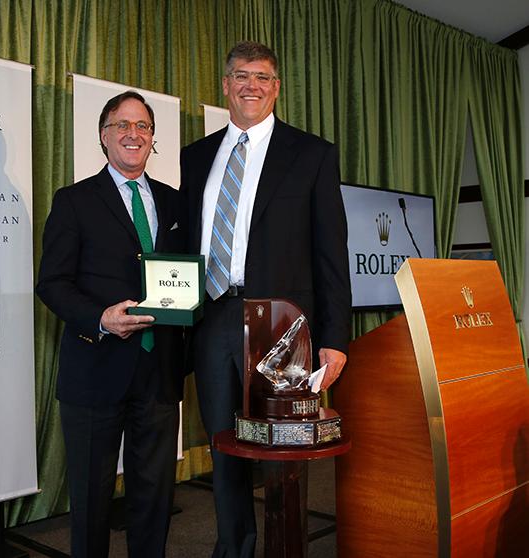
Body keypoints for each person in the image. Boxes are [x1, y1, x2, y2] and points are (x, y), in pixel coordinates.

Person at [179, 41, 351, 557]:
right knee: (224, 447)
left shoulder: (312, 154)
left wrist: (336, 338)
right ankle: (235, 546)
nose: (250, 85)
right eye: (240, 76)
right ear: (225, 85)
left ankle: (286, 547)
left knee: (285, 447)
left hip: (285, 327)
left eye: (262, 77)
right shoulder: (195, 157)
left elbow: (331, 253)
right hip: (212, 317)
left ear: (276, 88)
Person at [37, 91, 184, 558]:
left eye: (142, 126)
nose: (132, 134)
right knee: (90, 500)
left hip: (158, 373)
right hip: (95, 370)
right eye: (122, 125)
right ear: (104, 136)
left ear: (153, 138)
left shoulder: (175, 203)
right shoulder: (74, 201)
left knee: (155, 498)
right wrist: (100, 319)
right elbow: (52, 283)